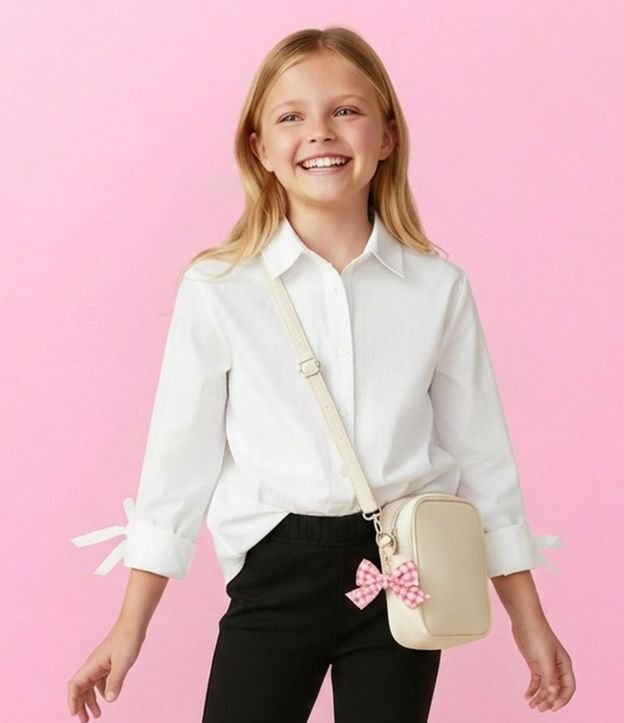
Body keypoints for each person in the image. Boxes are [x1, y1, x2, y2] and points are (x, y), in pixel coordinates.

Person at [67, 26, 576, 723]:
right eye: (291, 116)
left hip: (403, 571)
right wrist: (130, 627)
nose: (320, 132)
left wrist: (528, 619)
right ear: (259, 148)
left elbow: (484, 462)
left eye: (346, 110)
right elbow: (176, 467)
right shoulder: (219, 289)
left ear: (387, 136)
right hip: (274, 574)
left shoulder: (438, 289)